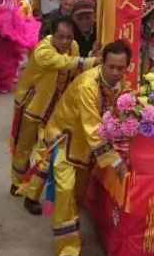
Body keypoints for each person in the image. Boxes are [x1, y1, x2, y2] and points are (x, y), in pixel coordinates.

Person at [20, 40, 131, 256]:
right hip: (66, 138)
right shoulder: (88, 86)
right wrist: (115, 159)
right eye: (111, 66)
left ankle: (70, 224)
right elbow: (92, 126)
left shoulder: (121, 85)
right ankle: (67, 249)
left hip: (88, 146)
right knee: (65, 190)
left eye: (121, 68)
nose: (116, 72)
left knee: (78, 194)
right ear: (103, 62)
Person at [10, 17, 97, 195]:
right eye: (60, 37)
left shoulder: (74, 47)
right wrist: (95, 61)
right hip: (33, 105)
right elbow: (65, 63)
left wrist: (90, 57)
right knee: (23, 147)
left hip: (55, 108)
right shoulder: (43, 50)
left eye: (69, 37)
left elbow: (75, 69)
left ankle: (32, 194)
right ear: (52, 34)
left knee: (46, 152)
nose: (65, 41)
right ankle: (16, 182)